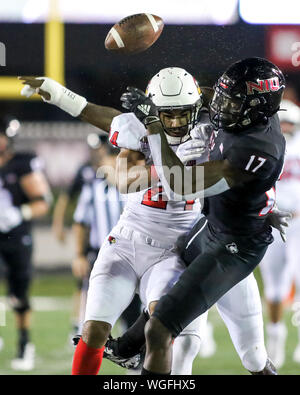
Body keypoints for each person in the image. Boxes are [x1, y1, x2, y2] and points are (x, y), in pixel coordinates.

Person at [19, 64, 286, 375]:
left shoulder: (213, 136)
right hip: (130, 238)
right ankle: (128, 352)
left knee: (170, 331)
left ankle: (135, 356)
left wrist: (260, 205)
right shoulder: (140, 129)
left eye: (182, 113)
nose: (174, 121)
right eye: (166, 113)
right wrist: (57, 93)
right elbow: (111, 144)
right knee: (93, 331)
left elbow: (195, 181)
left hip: (177, 250)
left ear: (196, 108)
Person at [119, 57, 286, 375]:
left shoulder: (257, 149)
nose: (221, 107)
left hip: (236, 244)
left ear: (257, 110)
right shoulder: (248, 116)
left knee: (161, 329)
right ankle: (125, 347)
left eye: (232, 103)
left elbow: (179, 184)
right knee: (176, 260)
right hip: (214, 226)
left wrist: (154, 125)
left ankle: (132, 348)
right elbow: (209, 95)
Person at [0, 117, 51, 371]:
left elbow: (42, 203)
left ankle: (24, 343)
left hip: (16, 236)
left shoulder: (21, 164)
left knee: (19, 295)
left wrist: (20, 213)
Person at [260, 99, 300, 368]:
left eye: (289, 122)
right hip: (271, 223)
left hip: (298, 224)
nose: (284, 126)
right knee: (274, 287)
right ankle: (275, 335)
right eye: (281, 121)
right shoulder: (262, 148)